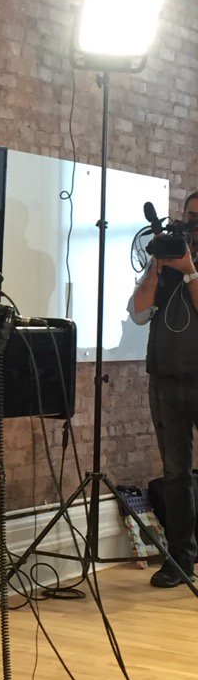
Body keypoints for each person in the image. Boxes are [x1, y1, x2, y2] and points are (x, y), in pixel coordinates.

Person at [129, 191, 198, 588]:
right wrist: (156, 268)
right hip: (165, 381)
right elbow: (138, 313)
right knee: (175, 476)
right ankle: (181, 560)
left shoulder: (187, 267)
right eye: (189, 215)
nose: (192, 223)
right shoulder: (165, 260)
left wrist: (190, 272)